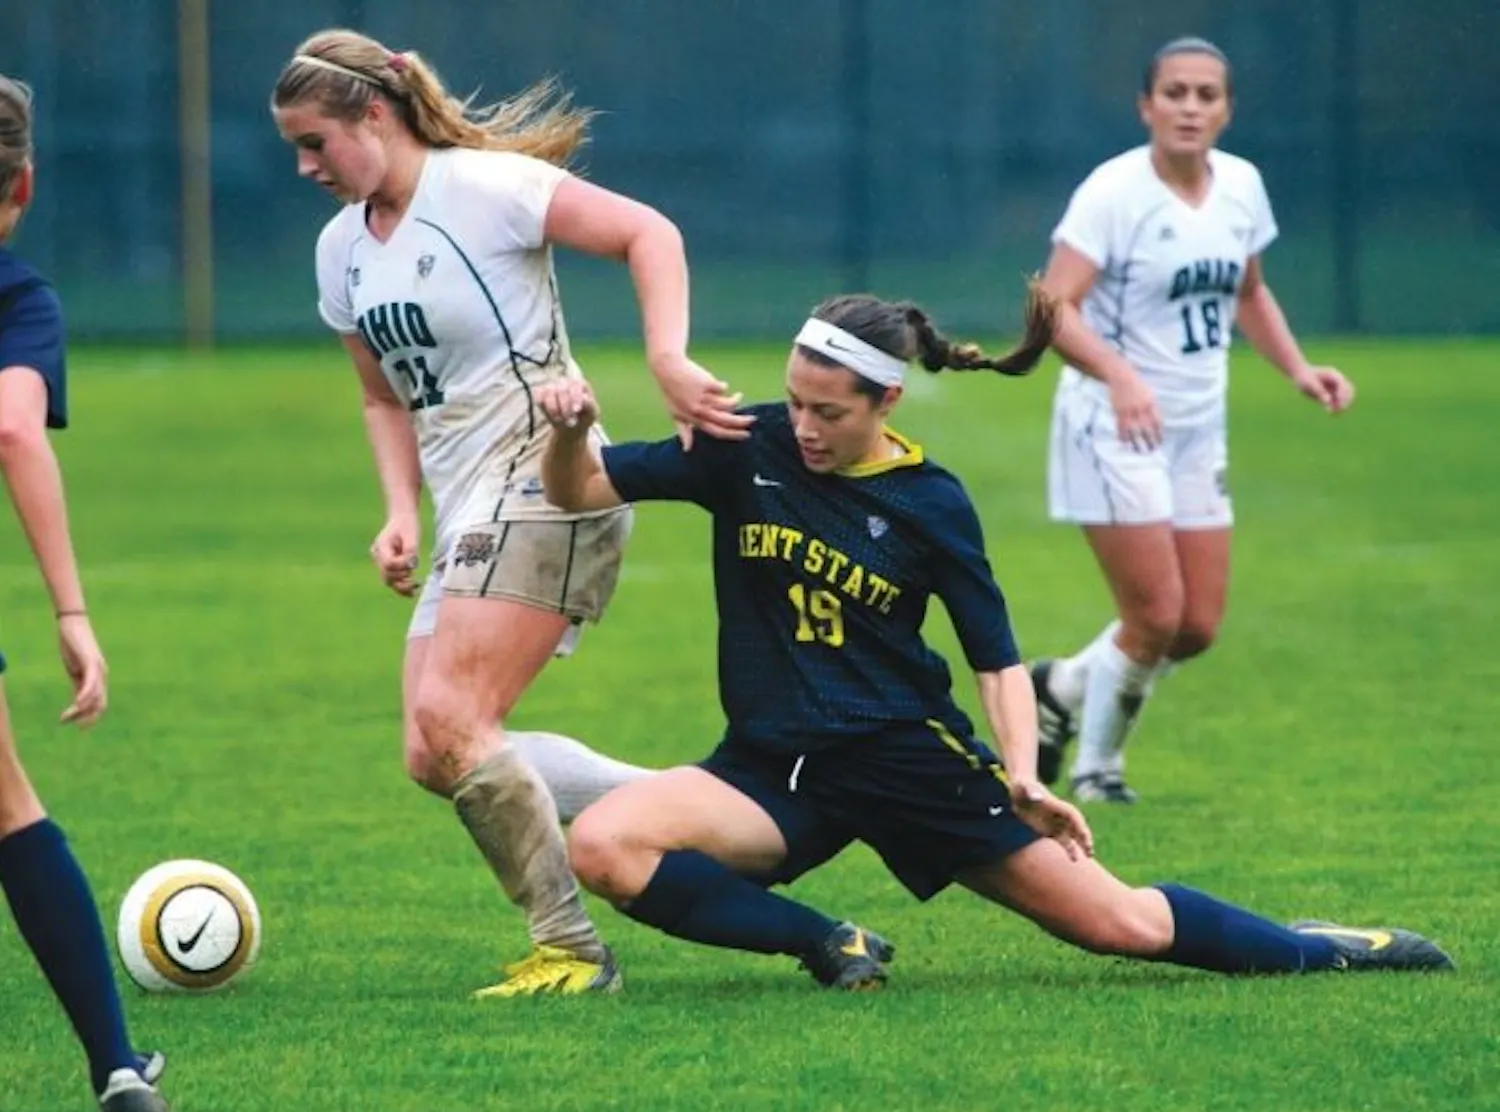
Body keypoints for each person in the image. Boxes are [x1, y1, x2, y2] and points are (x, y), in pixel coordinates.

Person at [534, 288, 1450, 989]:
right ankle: (828, 940)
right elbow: (578, 490)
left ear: (886, 399)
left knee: (1120, 926)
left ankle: (1320, 949)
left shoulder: (932, 502)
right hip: (774, 766)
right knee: (608, 846)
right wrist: (570, 432)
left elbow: (997, 658)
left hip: (906, 758)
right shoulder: (744, 447)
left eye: (830, 411)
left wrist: (1022, 772)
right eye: (797, 403)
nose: (804, 427)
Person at [270, 29, 742, 996]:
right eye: (295, 149)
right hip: (466, 503)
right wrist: (399, 510)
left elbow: (648, 232)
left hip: (551, 473)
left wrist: (665, 357)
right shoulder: (342, 250)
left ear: (375, 113)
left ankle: (572, 948)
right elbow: (379, 397)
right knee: (431, 749)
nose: (304, 166)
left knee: (454, 716)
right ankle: (700, 811)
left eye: (316, 142)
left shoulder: (481, 188)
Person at [1028, 37, 1356, 804]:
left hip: (1197, 427)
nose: (1190, 106)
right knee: (1154, 616)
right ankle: (1098, 772)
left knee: (1196, 626)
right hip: (1113, 424)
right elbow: (1051, 305)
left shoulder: (1241, 185)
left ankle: (1063, 687)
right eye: (1174, 92)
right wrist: (1118, 376)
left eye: (1206, 94)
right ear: (1146, 105)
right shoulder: (1114, 192)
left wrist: (1300, 370)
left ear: (1227, 109)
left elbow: (1248, 293)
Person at [0, 76, 170, 1112]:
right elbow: (14, 430)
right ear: (24, 181)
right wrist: (71, 612)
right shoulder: (19, 298)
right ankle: (114, 1066)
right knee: (10, 808)